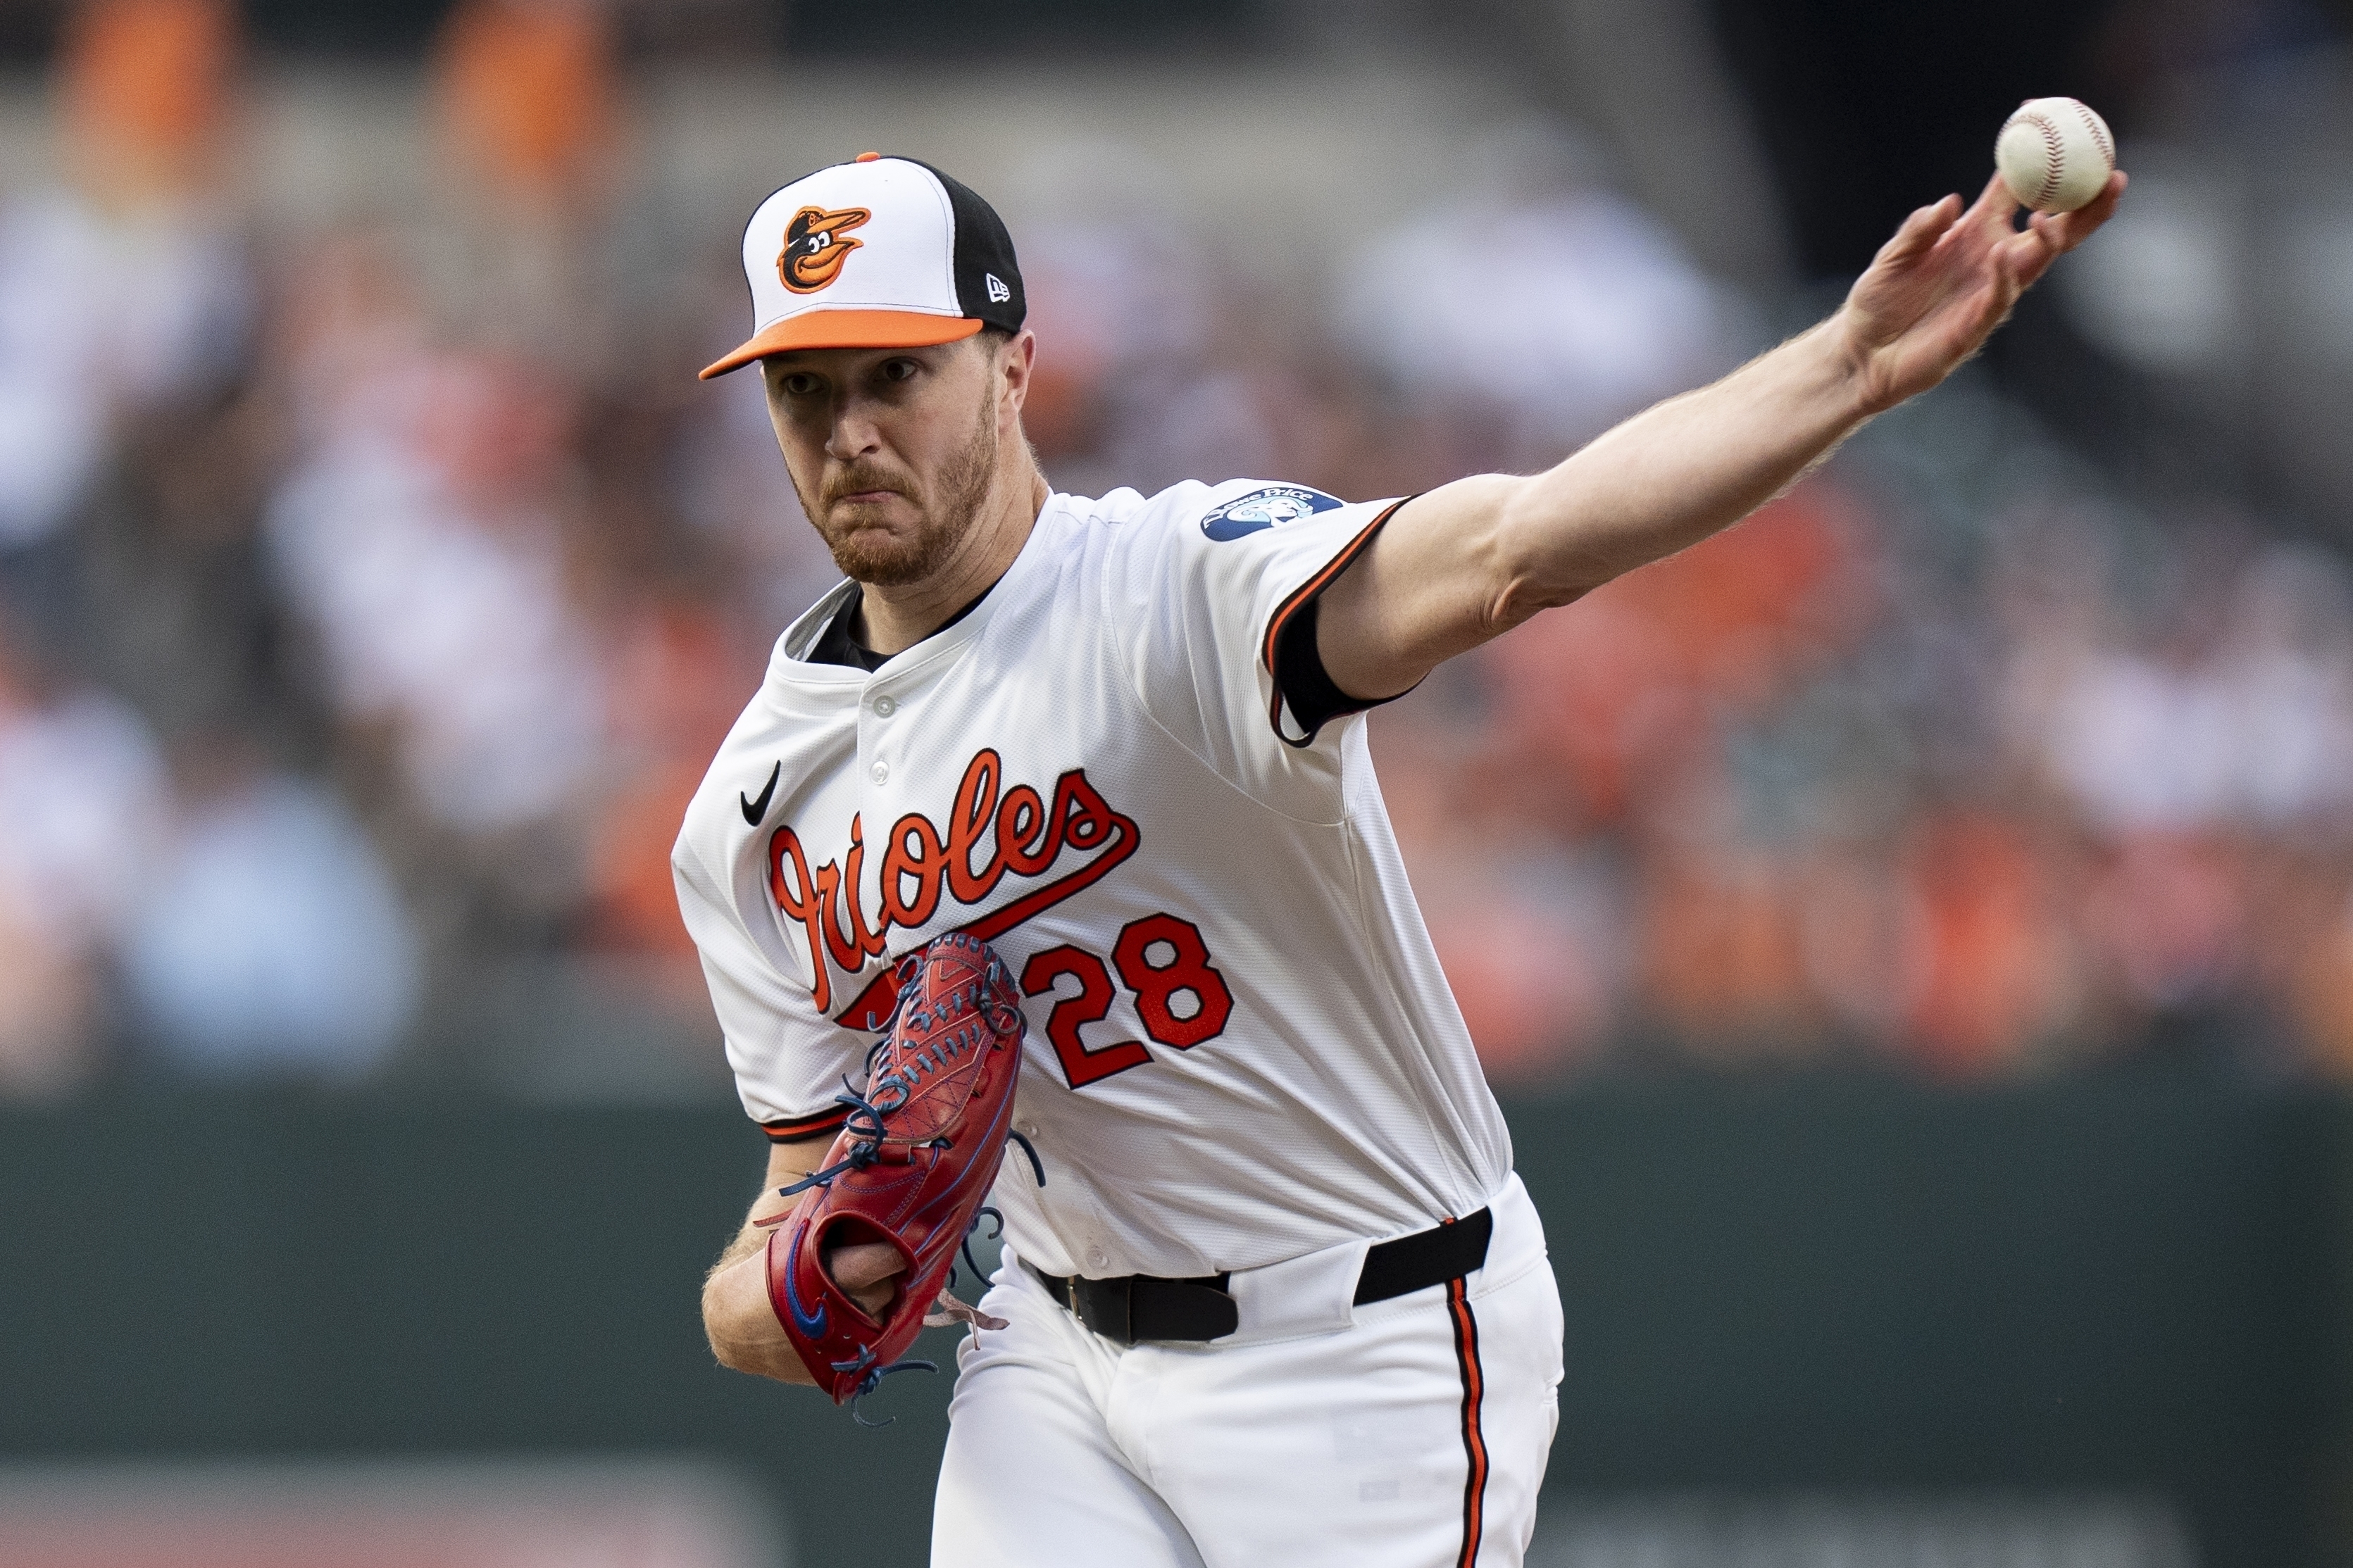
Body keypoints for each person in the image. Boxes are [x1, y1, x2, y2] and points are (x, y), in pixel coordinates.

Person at [678, 151, 2122, 1567]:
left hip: (1363, 1339)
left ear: (1011, 365)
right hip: (1051, 1352)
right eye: (805, 390)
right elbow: (780, 1221)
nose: (849, 428)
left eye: (897, 374)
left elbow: (1517, 544)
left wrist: (1845, 371)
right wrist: (799, 1294)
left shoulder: (1177, 594)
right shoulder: (750, 811)